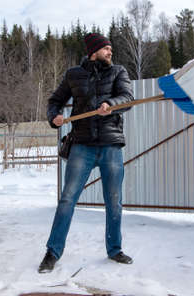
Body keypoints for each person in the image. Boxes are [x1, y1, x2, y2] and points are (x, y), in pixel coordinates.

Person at [38, 33, 134, 273]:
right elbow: (55, 100)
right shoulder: (74, 74)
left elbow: (128, 98)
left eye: (111, 48)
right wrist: (54, 117)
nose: (110, 52)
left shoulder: (118, 72)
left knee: (114, 201)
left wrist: (111, 105)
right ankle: (52, 252)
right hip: (82, 145)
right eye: (106, 48)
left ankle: (115, 249)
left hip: (111, 144)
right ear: (94, 51)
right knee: (67, 199)